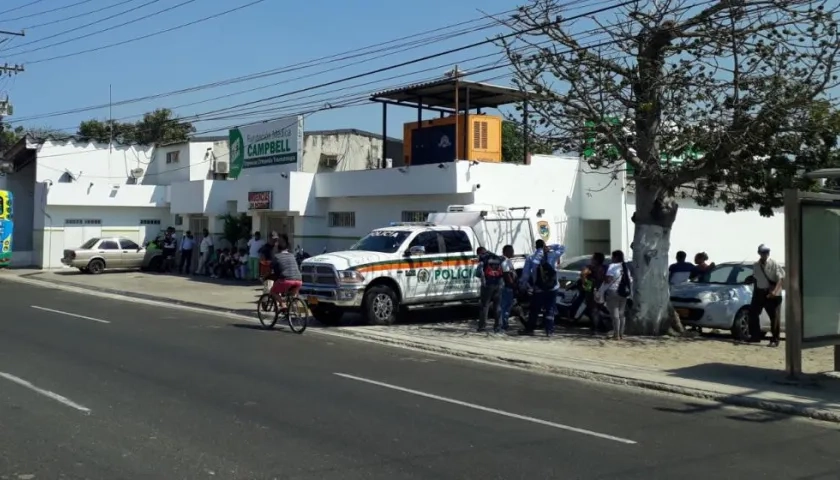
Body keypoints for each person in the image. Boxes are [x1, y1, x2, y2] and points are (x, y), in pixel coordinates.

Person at [520, 239, 565, 336]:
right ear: (544, 245)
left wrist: (523, 286)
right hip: (553, 287)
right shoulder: (552, 255)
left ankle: (530, 329)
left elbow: (525, 275)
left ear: (535, 247)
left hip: (539, 288)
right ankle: (549, 331)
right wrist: (551, 247)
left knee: (535, 309)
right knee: (550, 309)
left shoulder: (531, 258)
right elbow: (562, 248)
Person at [749, 244, 784, 346]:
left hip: (773, 294)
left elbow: (780, 279)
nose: (765, 254)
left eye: (767, 252)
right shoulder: (756, 265)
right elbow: (757, 279)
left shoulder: (774, 264)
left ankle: (774, 340)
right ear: (759, 253)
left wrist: (774, 292)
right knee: (753, 313)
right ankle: (755, 336)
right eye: (763, 252)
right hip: (760, 292)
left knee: (774, 317)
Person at [600, 250, 633, 340]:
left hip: (613, 291)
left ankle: (616, 334)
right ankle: (621, 334)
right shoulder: (625, 267)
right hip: (624, 292)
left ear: (615, 257)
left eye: (612, 257)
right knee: (622, 313)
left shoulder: (612, 266)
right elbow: (630, 280)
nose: (612, 258)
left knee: (615, 314)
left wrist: (603, 278)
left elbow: (609, 279)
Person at [475, 246, 504, 333]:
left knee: (484, 306)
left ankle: (482, 327)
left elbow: (477, 273)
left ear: (479, 252)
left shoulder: (483, 259)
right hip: (498, 284)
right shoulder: (496, 257)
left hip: (487, 285)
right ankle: (498, 327)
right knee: (498, 306)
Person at [268, 236, 303, 307]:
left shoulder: (277, 257)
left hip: (286, 280)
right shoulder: (292, 256)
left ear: (277, 249)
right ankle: (293, 308)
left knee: (273, 292)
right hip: (299, 280)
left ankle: (282, 304)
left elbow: (270, 269)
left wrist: (266, 276)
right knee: (292, 295)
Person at [498, 245, 517, 333]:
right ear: (506, 251)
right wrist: (512, 285)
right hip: (506, 287)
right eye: (511, 251)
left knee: (506, 306)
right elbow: (507, 274)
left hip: (506, 287)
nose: (513, 252)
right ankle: (502, 325)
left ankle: (504, 324)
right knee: (505, 306)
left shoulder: (506, 260)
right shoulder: (504, 261)